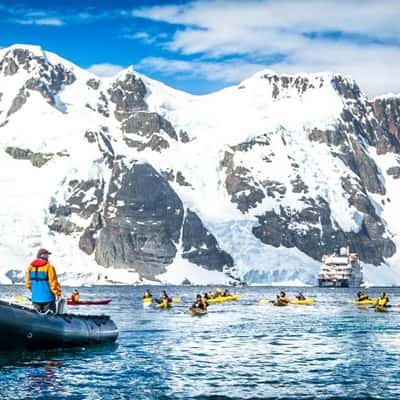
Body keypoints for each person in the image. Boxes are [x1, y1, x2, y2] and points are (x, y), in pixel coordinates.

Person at [25, 248, 61, 313]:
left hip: (35, 299)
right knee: (50, 319)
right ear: (42, 255)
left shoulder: (30, 267)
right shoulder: (49, 267)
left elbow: (28, 284)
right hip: (48, 299)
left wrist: (34, 292)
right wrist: (58, 293)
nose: (48, 256)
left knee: (38, 319)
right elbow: (53, 283)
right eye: (47, 254)